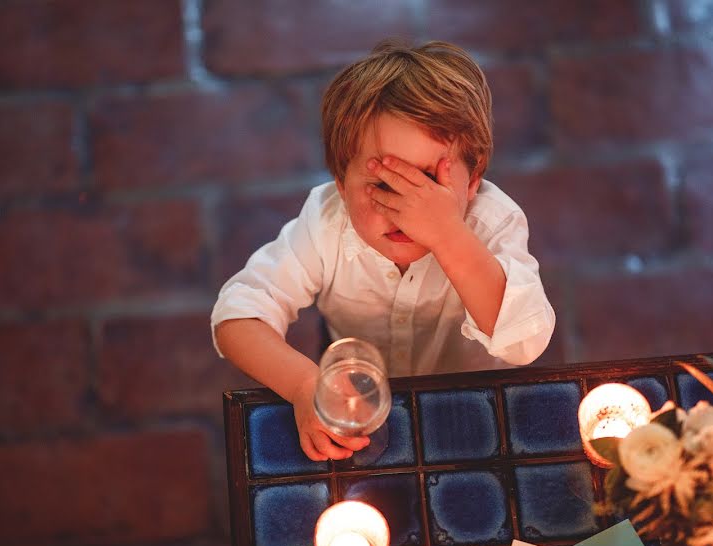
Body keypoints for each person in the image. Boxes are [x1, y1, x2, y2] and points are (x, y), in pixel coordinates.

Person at [212, 40, 555, 462]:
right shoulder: (326, 222)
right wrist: (305, 387)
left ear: (473, 179)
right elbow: (237, 316)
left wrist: (448, 234)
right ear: (340, 181)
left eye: (428, 182)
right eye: (382, 184)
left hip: (474, 411)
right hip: (360, 407)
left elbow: (527, 342)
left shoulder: (491, 223)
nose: (406, 211)